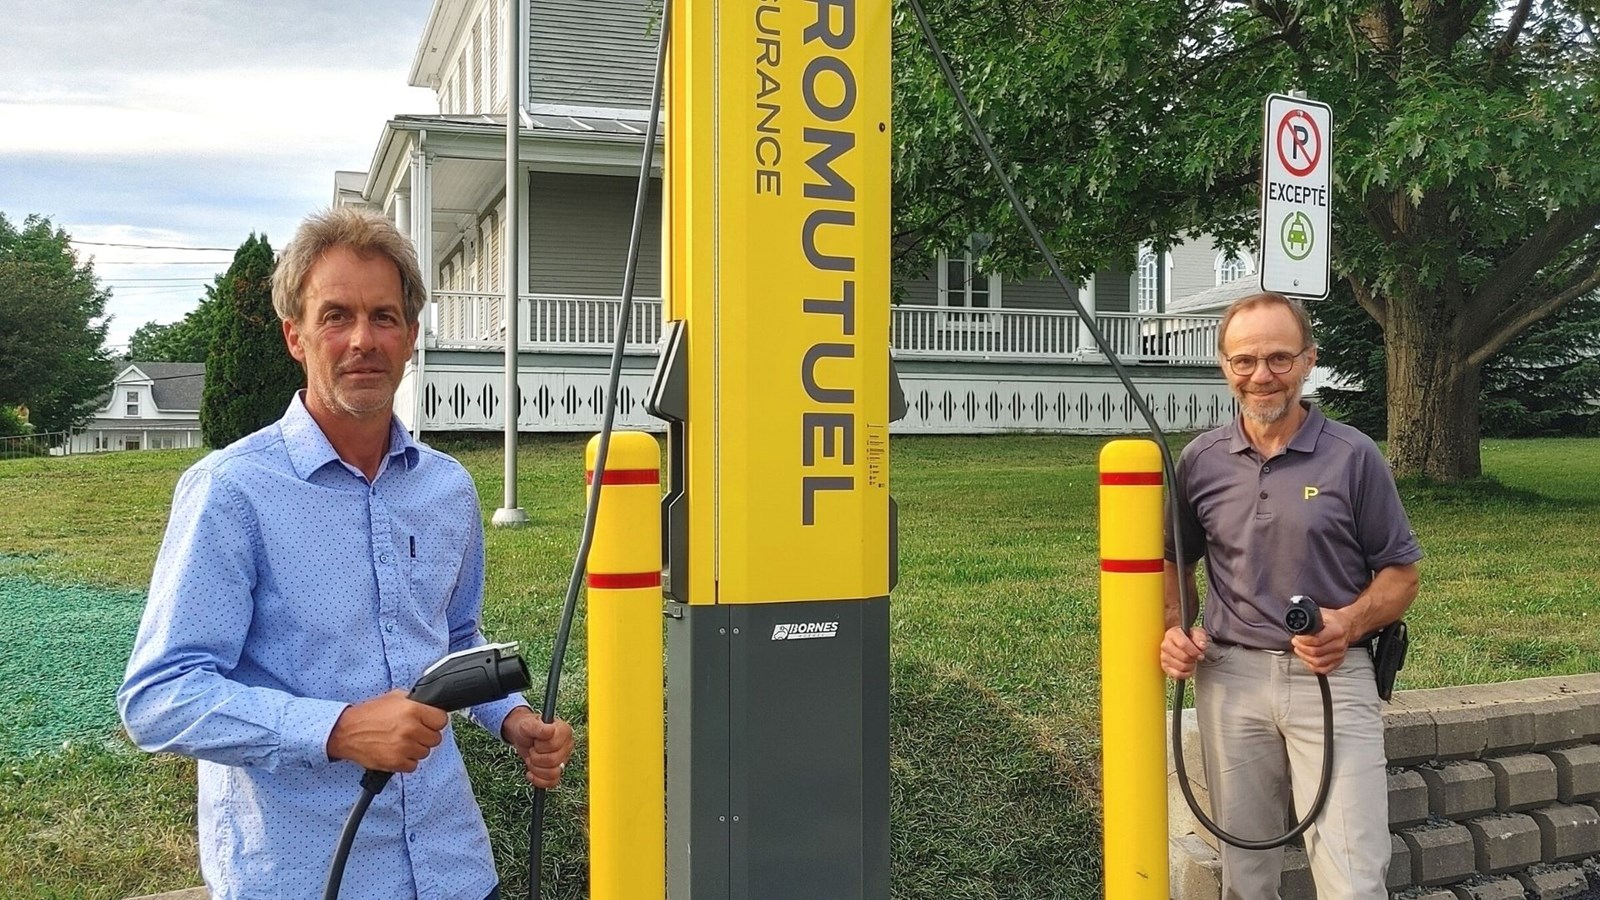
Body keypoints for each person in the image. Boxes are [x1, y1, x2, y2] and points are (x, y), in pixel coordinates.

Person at [119, 207, 574, 900]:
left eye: (384, 317)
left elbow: (453, 639)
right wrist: (338, 728)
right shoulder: (231, 492)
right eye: (336, 316)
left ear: (412, 337)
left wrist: (509, 717)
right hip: (305, 875)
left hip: (451, 866)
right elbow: (159, 697)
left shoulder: (446, 487)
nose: (363, 339)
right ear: (294, 336)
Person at [1160, 291, 1421, 898]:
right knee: (1245, 877)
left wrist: (1348, 623)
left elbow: (1401, 576)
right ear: (1224, 366)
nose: (1261, 376)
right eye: (1243, 361)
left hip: (1331, 675)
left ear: (1309, 361)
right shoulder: (1200, 460)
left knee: (1353, 876)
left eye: (1279, 358)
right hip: (1228, 677)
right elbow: (1177, 563)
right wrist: (1174, 627)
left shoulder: (1354, 456)